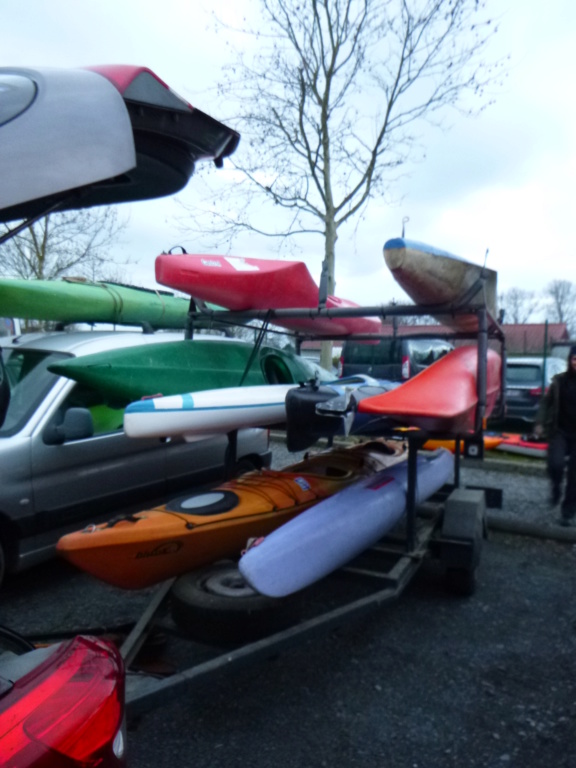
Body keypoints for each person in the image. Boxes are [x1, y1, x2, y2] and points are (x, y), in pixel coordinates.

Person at [534, 346, 576, 526]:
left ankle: (567, 512)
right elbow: (545, 402)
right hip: (560, 430)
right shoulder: (559, 382)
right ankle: (556, 488)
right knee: (555, 463)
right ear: (569, 360)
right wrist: (539, 423)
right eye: (574, 359)